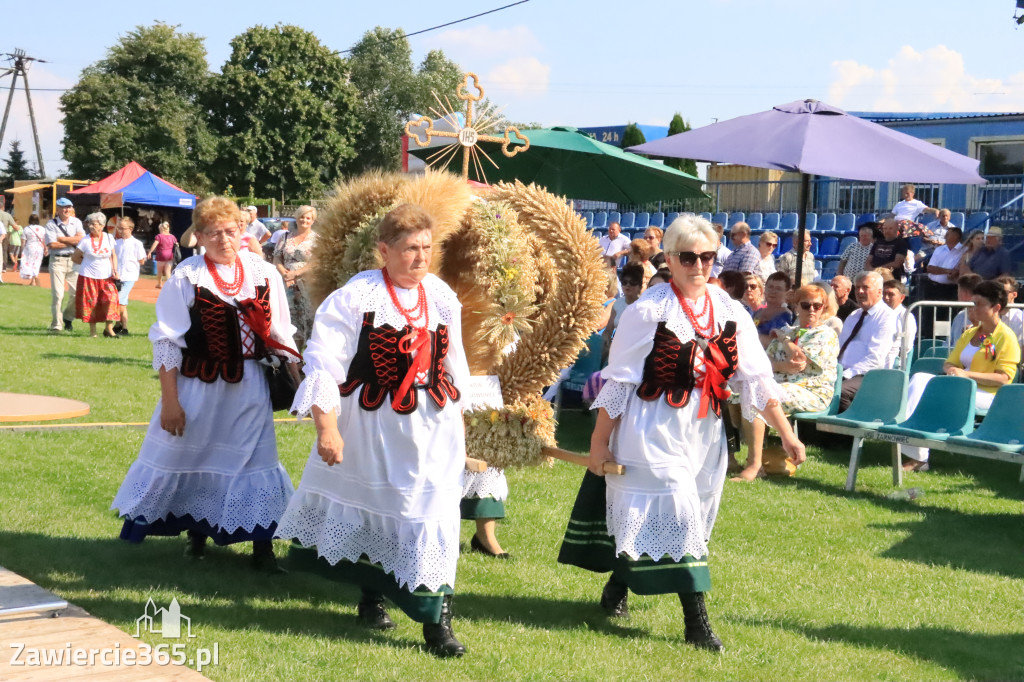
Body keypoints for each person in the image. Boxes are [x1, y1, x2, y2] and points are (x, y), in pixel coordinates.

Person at [557, 213, 805, 653]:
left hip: (704, 430)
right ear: (669, 258)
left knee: (685, 517)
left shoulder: (730, 310)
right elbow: (620, 383)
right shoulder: (648, 311)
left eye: (707, 256)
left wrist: (786, 433)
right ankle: (697, 623)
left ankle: (618, 587)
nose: (699, 265)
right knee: (679, 514)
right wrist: (598, 444)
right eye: (688, 257)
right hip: (650, 426)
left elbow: (755, 379)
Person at [274, 203, 471, 658]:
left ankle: (437, 623)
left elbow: (454, 364)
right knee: (378, 508)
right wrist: (328, 429)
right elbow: (323, 363)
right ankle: (371, 596)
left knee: (436, 513)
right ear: (384, 250)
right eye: (409, 249)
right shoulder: (357, 296)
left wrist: (463, 423)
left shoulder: (441, 296)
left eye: (426, 248)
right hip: (374, 423)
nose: (420, 258)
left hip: (434, 423)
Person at [111, 196, 299, 571]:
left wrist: (299, 380)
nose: (224, 240)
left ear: (243, 230)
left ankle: (263, 549)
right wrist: (170, 403)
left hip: (250, 385)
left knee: (256, 460)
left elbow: (281, 331)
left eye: (231, 231)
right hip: (199, 386)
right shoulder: (186, 276)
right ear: (198, 235)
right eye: (213, 233)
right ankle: (196, 534)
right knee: (195, 456)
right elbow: (167, 341)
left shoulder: (265, 274)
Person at [901, 280, 1021, 471]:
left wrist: (965, 375)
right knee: (920, 378)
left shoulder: (1006, 337)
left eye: (979, 304)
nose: (973, 308)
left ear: (996, 307)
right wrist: (951, 370)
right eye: (973, 303)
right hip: (960, 389)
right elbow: (950, 362)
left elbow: (1004, 378)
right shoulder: (974, 333)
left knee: (929, 393)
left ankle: (916, 453)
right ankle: (911, 438)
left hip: (989, 396)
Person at [732, 285, 838, 481]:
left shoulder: (825, 334)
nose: (812, 310)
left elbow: (799, 360)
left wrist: (784, 340)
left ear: (824, 308)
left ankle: (753, 466)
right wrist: (781, 364)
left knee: (759, 398)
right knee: (730, 396)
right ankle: (730, 458)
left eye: (817, 305)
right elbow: (763, 363)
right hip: (780, 385)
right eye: (806, 305)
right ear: (797, 306)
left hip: (811, 390)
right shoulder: (788, 331)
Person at [836, 271, 897, 410]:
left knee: (839, 391)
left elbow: (875, 359)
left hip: (869, 375)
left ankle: (848, 429)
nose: (860, 291)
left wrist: (845, 375)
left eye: (865, 287)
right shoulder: (853, 316)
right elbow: (839, 348)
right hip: (842, 372)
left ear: (879, 292)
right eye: (857, 287)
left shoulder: (887, 317)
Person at [273, 205, 319, 350]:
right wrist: (285, 274)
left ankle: (309, 355)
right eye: (301, 217)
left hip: (308, 284)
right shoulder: (285, 236)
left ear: (312, 221)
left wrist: (296, 274)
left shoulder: (318, 239)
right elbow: (277, 259)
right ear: (296, 218)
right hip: (287, 285)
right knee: (290, 319)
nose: (304, 220)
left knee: (309, 318)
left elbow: (317, 262)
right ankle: (293, 355)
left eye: (308, 218)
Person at [71, 212, 121, 338]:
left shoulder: (109, 238)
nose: (91, 226)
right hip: (88, 277)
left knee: (111, 299)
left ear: (102, 226)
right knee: (91, 303)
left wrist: (115, 270)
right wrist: (86, 263)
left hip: (107, 277)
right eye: (90, 223)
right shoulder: (85, 240)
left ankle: (109, 329)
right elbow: (75, 257)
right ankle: (93, 332)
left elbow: (113, 255)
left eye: (95, 224)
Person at [45, 198, 85, 332]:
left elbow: (82, 240)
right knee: (58, 294)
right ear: (57, 209)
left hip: (74, 260)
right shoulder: (51, 224)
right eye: (63, 207)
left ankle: (67, 317)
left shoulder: (77, 222)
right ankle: (57, 324)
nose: (66, 210)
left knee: (77, 293)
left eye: (68, 207)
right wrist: (73, 241)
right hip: (57, 261)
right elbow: (52, 245)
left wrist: (61, 239)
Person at [602, 263, 645, 359]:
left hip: (637, 352)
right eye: (624, 282)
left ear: (640, 286)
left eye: (632, 282)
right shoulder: (617, 304)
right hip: (617, 349)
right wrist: (607, 338)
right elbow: (609, 329)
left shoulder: (644, 305)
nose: (627, 285)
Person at [113, 217, 148, 336]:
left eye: (123, 228)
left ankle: (119, 325)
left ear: (130, 229)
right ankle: (122, 326)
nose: (120, 231)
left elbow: (141, 260)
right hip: (118, 276)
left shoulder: (136, 244)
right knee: (121, 301)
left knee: (120, 301)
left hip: (129, 275)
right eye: (119, 228)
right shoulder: (116, 243)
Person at [752, 271, 794, 346]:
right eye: (770, 287)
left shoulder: (788, 317)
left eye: (778, 289)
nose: (773, 291)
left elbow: (781, 343)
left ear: (786, 293)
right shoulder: (758, 312)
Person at [882, 280, 916, 370]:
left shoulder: (906, 317)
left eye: (891, 294)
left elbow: (906, 346)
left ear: (902, 298)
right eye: (884, 293)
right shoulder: (878, 314)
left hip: (894, 363)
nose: (886, 297)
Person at [924, 227, 964, 301]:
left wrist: (940, 270)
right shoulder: (939, 249)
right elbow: (930, 268)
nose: (945, 237)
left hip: (950, 290)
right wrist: (948, 271)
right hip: (932, 287)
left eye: (948, 235)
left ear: (955, 236)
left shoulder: (964, 251)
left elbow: (958, 271)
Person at [950, 274, 983, 344]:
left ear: (964, 293)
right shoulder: (959, 316)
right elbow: (949, 344)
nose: (957, 294)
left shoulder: (987, 317)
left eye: (958, 290)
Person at [147, 222, 178, 289]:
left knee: (159, 271)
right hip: (169, 256)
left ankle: (159, 283)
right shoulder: (172, 236)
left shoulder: (159, 236)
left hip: (161, 256)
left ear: (161, 229)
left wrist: (150, 252)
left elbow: (155, 244)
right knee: (168, 271)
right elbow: (176, 244)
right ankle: (170, 285)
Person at [995, 275, 1023, 348]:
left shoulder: (1021, 319)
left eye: (1004, 292)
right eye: (996, 292)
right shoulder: (988, 316)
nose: (999, 295)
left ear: (1014, 294)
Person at [19, 214, 46, 286]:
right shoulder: (42, 229)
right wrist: (46, 248)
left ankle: (33, 280)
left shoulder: (26, 229)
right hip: (40, 247)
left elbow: (23, 241)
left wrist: (22, 250)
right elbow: (44, 240)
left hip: (29, 247)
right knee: (37, 263)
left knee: (30, 263)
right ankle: (34, 278)